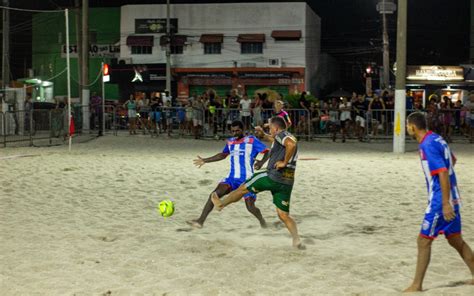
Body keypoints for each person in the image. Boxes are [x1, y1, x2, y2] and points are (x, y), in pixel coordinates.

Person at [404, 112, 474, 292]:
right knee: (456, 240)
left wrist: (444, 203)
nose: (406, 128)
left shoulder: (427, 145)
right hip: (454, 196)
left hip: (440, 201)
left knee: (423, 240)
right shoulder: (437, 139)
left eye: (407, 125)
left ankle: (417, 285)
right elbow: (453, 160)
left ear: (413, 127)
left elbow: (442, 172)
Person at [211, 116, 304, 249]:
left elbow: (290, 144)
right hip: (287, 182)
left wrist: (284, 162)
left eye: (270, 128)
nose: (269, 130)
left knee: (243, 188)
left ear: (276, 128)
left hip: (272, 176)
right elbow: (278, 142)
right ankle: (296, 240)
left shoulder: (282, 135)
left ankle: (221, 204)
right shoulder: (287, 135)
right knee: (283, 215)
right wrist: (264, 135)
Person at [187, 120, 269, 228]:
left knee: (250, 207)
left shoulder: (252, 140)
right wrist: (205, 160)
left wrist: (261, 162)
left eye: (237, 131)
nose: (235, 133)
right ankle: (200, 221)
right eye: (233, 131)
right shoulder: (230, 142)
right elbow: (222, 155)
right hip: (232, 178)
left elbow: (267, 151)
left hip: (248, 179)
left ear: (243, 130)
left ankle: (263, 222)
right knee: (213, 195)